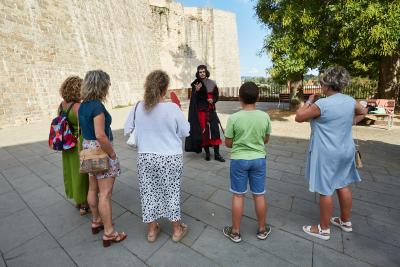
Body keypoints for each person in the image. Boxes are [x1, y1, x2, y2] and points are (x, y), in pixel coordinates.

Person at [295, 66, 367, 241]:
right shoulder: (350, 100)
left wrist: (310, 101)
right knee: (343, 184)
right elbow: (363, 112)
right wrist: (349, 122)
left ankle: (323, 229)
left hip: (326, 153)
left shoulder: (322, 104)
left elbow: (299, 117)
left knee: (325, 189)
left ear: (327, 84)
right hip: (345, 150)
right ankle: (345, 221)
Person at [132, 70, 190, 243]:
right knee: (171, 193)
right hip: (169, 157)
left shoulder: (138, 106)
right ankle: (177, 230)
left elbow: (129, 128)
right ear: (165, 88)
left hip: (146, 156)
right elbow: (185, 131)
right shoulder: (172, 108)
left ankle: (152, 231)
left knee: (148, 193)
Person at [78, 70, 126, 247]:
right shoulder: (97, 106)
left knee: (93, 188)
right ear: (101, 85)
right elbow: (100, 134)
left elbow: (85, 131)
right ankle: (109, 233)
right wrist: (112, 154)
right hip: (101, 150)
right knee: (105, 194)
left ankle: (96, 221)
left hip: (88, 149)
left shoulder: (82, 105)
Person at [223, 82, 272, 243]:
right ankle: (262, 229)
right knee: (259, 195)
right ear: (258, 97)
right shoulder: (264, 117)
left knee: (238, 195)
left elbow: (228, 143)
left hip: (239, 160)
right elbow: (265, 140)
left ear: (239, 98)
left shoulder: (234, 118)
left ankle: (235, 232)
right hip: (258, 159)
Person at [59, 76, 89, 215]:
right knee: (82, 173)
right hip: (78, 142)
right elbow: (86, 125)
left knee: (71, 171)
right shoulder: (79, 107)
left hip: (67, 143)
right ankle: (84, 204)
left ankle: (77, 200)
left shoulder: (61, 105)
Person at [185, 65, 225, 162]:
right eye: (200, 72)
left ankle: (217, 154)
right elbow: (193, 99)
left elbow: (216, 96)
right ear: (198, 73)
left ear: (206, 72)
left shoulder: (212, 83)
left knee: (215, 131)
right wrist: (196, 91)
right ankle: (207, 153)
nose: (202, 73)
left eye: (203, 71)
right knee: (205, 133)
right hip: (201, 112)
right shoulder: (196, 83)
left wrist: (213, 100)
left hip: (211, 110)